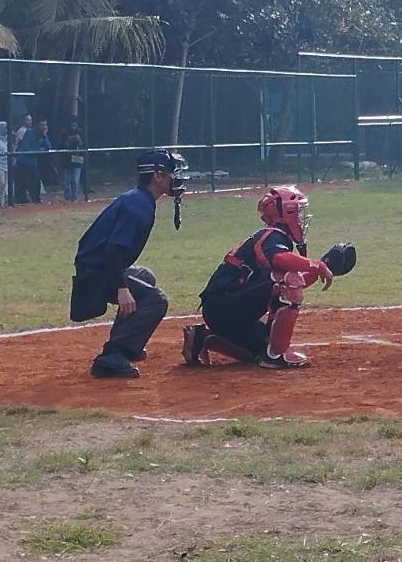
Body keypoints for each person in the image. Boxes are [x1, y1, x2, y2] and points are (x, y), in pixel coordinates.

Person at [183, 186, 334, 370]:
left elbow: (294, 282)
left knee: (259, 349)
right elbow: (281, 264)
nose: (301, 218)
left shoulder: (273, 237)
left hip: (224, 308)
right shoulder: (272, 235)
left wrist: (325, 266)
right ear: (286, 211)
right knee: (287, 279)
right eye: (298, 211)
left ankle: (202, 338)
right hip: (225, 304)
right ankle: (276, 356)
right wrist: (316, 265)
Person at [70, 149, 188, 378]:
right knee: (156, 300)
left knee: (145, 276)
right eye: (172, 173)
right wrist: (122, 289)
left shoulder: (139, 198)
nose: (177, 178)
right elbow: (112, 250)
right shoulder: (138, 205)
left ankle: (121, 341)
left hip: (97, 267)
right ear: (158, 176)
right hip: (96, 272)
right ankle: (112, 356)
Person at [15, 116, 50, 203]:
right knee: (22, 182)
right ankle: (21, 200)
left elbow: (48, 146)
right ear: (37, 126)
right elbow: (27, 148)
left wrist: (44, 136)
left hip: (32, 162)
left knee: (35, 181)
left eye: (45, 125)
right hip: (23, 161)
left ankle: (36, 199)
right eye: (42, 125)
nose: (44, 127)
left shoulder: (42, 134)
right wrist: (38, 148)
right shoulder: (29, 133)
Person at [60, 117, 86, 202]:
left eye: (75, 123)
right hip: (66, 159)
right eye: (72, 123)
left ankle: (74, 197)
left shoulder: (81, 132)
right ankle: (68, 196)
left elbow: (84, 145)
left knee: (75, 179)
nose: (74, 125)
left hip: (77, 158)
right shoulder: (64, 133)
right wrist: (68, 140)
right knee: (66, 180)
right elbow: (60, 145)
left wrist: (79, 140)